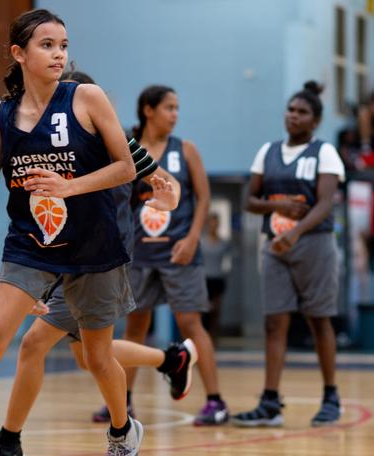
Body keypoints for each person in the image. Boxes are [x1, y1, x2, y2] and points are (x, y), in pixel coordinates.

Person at [0, 10, 166, 456]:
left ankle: (121, 433)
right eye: (47, 45)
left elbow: (126, 170)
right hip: (30, 241)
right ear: (19, 53)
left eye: (63, 45)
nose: (58, 54)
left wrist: (69, 187)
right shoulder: (0, 114)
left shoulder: (86, 98)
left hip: (94, 244)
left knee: (97, 358)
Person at [0, 70, 197, 456]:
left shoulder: (115, 141)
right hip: (58, 256)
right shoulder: (36, 143)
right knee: (86, 355)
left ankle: (11, 439)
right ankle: (170, 360)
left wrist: (167, 201)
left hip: (97, 259)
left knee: (44, 347)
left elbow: (168, 185)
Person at [92, 85, 230, 426]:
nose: (175, 114)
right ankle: (122, 401)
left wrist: (193, 237)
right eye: (169, 107)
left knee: (190, 323)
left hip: (178, 252)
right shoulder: (125, 145)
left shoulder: (186, 150)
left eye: (177, 108)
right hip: (137, 254)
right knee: (135, 324)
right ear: (148, 110)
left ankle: (215, 402)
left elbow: (202, 197)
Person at [232, 81, 345, 427]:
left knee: (318, 319)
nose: (294, 116)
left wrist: (295, 232)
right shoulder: (268, 151)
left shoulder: (324, 152)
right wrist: (277, 205)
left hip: (314, 243)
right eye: (291, 110)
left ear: (315, 121)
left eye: (302, 112)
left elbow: (325, 204)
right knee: (274, 322)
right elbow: (249, 201)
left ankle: (330, 396)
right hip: (275, 245)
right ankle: (269, 401)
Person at [200, 212, 232, 341]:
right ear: (207, 224)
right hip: (204, 280)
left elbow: (228, 262)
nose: (213, 225)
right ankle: (203, 338)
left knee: (216, 311)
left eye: (216, 223)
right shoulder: (201, 242)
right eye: (211, 223)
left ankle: (214, 339)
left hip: (218, 279)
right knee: (204, 310)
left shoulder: (224, 243)